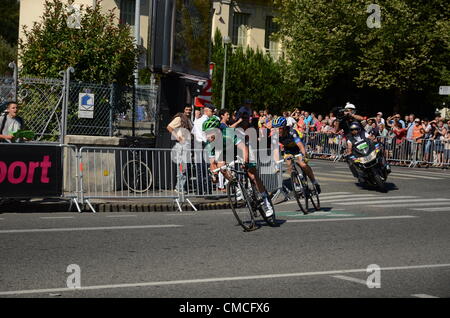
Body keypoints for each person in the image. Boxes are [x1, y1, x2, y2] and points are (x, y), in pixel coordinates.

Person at [203, 116, 275, 217]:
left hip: (242, 147)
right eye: (206, 133)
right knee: (221, 166)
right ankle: (237, 186)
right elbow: (212, 163)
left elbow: (243, 148)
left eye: (209, 133)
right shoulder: (209, 143)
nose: (207, 136)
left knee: (252, 175)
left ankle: (266, 202)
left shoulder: (227, 133)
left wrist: (245, 162)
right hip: (227, 151)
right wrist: (214, 174)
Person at [271, 117, 321, 196]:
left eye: (279, 128)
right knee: (289, 166)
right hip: (288, 149)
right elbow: (275, 151)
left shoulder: (292, 132)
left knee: (303, 164)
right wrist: (276, 164)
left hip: (298, 147)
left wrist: (305, 155)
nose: (277, 130)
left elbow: (300, 145)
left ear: (284, 127)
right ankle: (297, 185)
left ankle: (314, 182)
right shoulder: (275, 135)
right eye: (275, 128)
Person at [166, 105, 193, 193]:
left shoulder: (188, 119)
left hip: (187, 145)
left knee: (184, 167)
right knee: (183, 167)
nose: (188, 111)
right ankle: (179, 187)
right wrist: (177, 137)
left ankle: (180, 186)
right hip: (182, 145)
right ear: (184, 110)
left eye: (190, 110)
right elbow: (169, 127)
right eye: (187, 109)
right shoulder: (179, 118)